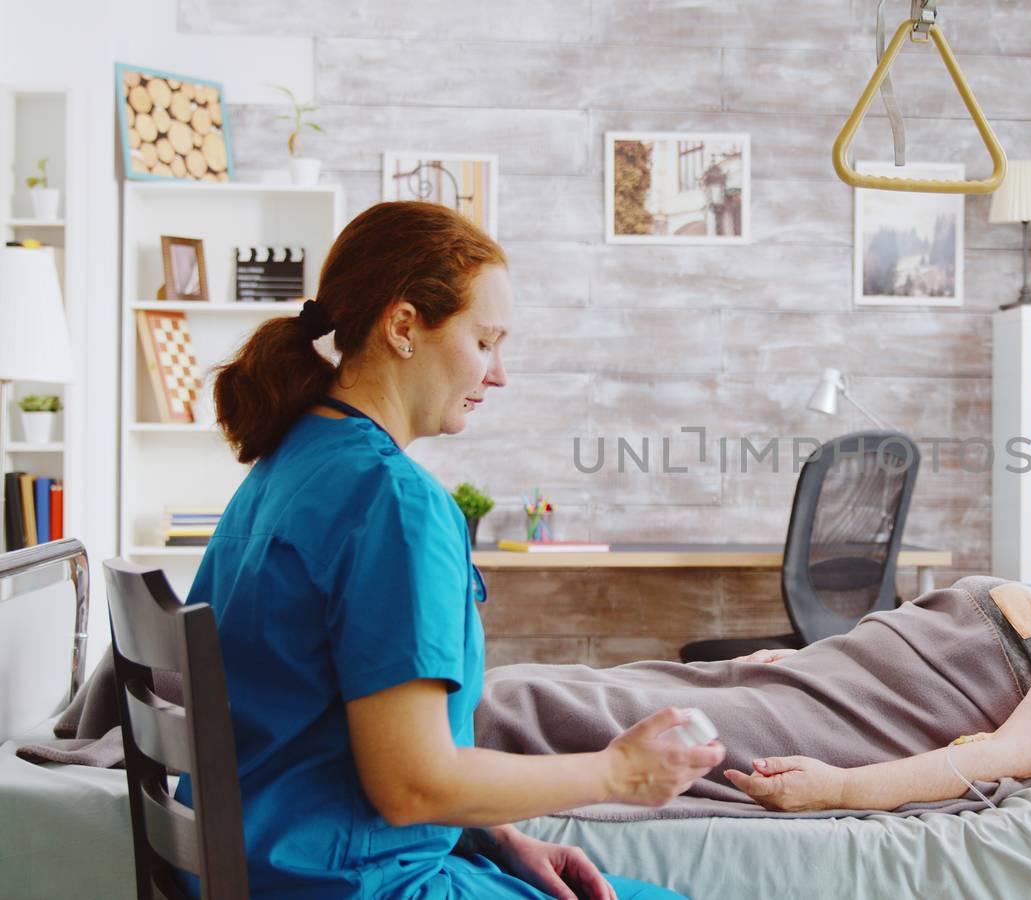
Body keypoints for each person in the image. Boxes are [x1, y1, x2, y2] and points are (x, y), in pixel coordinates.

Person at [193, 201, 722, 899]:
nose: (498, 374)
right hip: (360, 884)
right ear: (404, 326)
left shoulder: (287, 463)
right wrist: (618, 773)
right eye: (484, 341)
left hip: (276, 867)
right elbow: (413, 786)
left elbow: (314, 719)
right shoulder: (394, 501)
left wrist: (496, 832)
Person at [475, 447, 1031, 814]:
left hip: (834, 725)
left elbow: (1015, 755)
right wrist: (800, 656)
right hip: (808, 679)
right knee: (581, 685)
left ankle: (386, 781)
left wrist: (838, 787)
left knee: (535, 706)